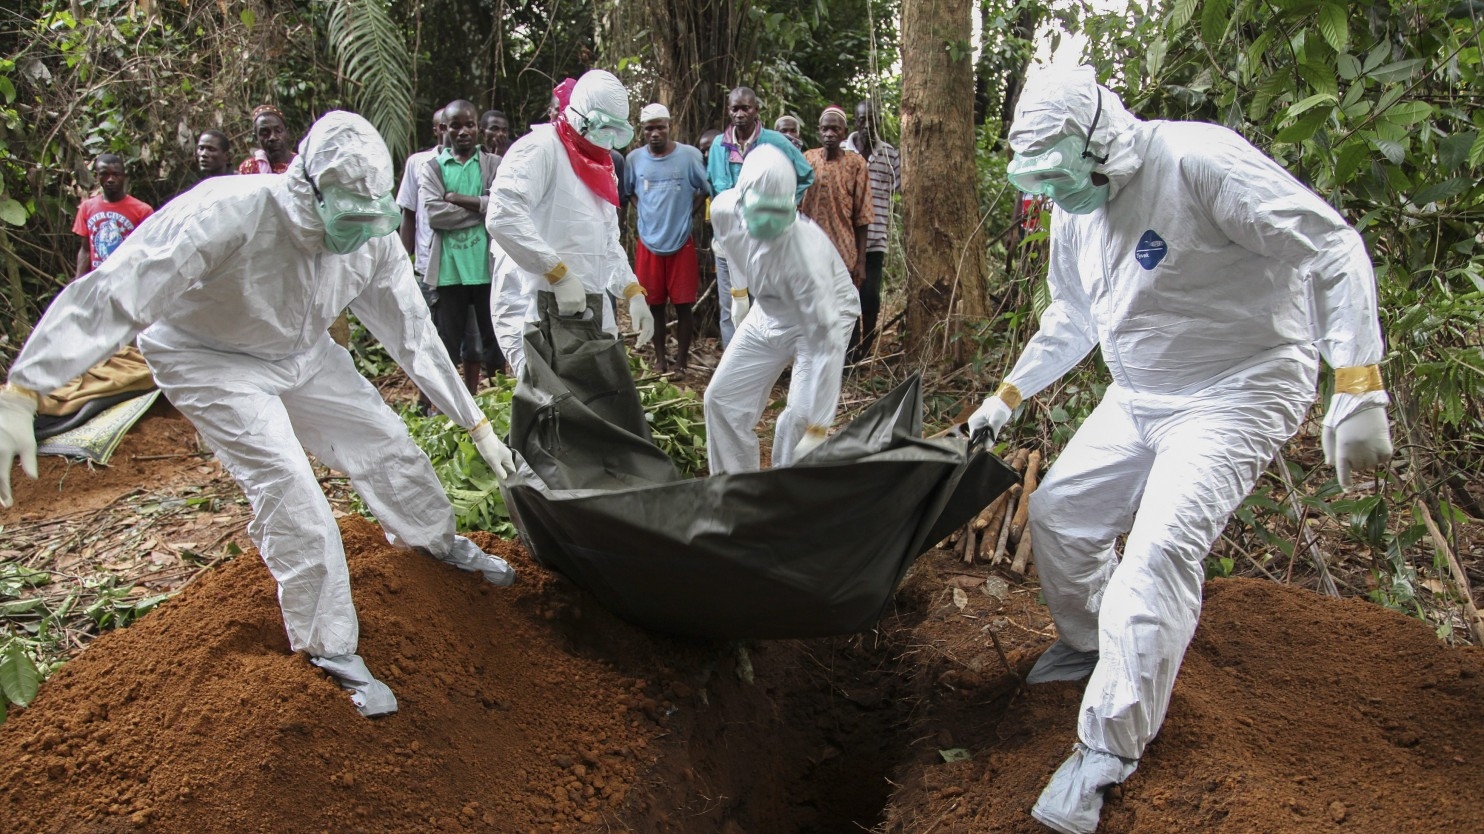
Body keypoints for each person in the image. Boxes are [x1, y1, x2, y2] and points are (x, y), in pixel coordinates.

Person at [962, 66, 1394, 833]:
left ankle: (1106, 749)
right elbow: (1071, 318)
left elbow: (1329, 246)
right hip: (1138, 391)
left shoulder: (1198, 162)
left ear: (1100, 142)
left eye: (1063, 174)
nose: (1058, 194)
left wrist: (1357, 382)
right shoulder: (1074, 211)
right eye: (1044, 181)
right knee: (1059, 513)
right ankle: (1093, 639)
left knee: (1157, 551)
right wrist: (1006, 397)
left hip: (1239, 385)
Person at [0, 112, 519, 719]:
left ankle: (437, 543)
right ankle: (329, 648)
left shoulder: (370, 238)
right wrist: (26, 388)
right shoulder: (230, 211)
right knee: (290, 485)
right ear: (310, 187)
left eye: (367, 220)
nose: (356, 234)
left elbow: (413, 334)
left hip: (303, 352)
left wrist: (475, 424)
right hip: (209, 359)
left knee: (386, 443)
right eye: (346, 218)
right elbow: (117, 289)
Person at [486, 70, 654, 374]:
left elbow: (606, 241)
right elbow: (502, 215)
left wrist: (631, 290)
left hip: (588, 304)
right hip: (537, 303)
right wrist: (557, 273)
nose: (609, 141)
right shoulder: (539, 148)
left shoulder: (602, 166)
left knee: (594, 396)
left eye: (616, 132)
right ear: (579, 117)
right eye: (603, 128)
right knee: (547, 398)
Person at [704, 144, 859, 474]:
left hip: (821, 318)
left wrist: (818, 424)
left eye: (778, 214)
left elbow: (826, 344)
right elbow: (732, 248)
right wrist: (739, 295)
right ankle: (736, 492)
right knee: (721, 399)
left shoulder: (806, 258)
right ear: (742, 199)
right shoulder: (723, 209)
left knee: (796, 422)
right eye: (760, 211)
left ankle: (786, 504)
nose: (768, 224)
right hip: (768, 310)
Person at [706, 87, 814, 350]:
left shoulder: (775, 142)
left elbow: (805, 174)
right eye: (735, 109)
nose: (741, 114)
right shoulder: (719, 147)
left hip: (766, 242)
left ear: (756, 110)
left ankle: (765, 366)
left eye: (746, 108)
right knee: (731, 306)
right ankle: (733, 368)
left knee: (766, 304)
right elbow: (714, 191)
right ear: (728, 111)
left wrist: (781, 205)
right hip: (729, 245)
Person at [419, 99, 504, 395]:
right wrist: (481, 207)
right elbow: (434, 214)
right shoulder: (433, 167)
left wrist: (458, 198)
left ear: (477, 128)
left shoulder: (494, 164)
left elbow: (501, 207)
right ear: (445, 129)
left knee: (495, 347)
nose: (463, 131)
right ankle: (444, 408)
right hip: (448, 272)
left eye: (469, 124)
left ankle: (501, 403)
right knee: (446, 348)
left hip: (487, 270)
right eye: (456, 125)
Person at [623, 103, 710, 374]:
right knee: (655, 305)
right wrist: (647, 213)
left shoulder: (689, 156)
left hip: (681, 240)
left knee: (683, 304)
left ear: (669, 126)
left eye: (661, 126)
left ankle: (681, 362)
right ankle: (660, 360)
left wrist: (687, 215)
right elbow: (628, 193)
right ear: (642, 131)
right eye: (650, 128)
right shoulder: (634, 160)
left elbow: (704, 189)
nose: (655, 132)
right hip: (648, 242)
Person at [841, 100, 902, 363]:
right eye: (862, 119)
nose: (867, 125)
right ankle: (849, 350)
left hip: (876, 239)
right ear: (855, 122)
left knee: (870, 296)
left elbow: (897, 189)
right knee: (846, 295)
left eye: (872, 119)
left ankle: (866, 348)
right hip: (844, 241)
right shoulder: (843, 151)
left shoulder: (890, 155)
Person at [800, 105, 873, 291]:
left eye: (835, 129)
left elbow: (863, 215)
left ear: (844, 133)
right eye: (825, 129)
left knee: (845, 310)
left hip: (843, 253)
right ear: (819, 131)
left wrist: (861, 261)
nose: (829, 134)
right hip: (809, 253)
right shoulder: (807, 159)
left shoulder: (856, 164)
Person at [73, 153, 154, 278]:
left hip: (129, 280)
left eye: (116, 174)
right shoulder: (87, 207)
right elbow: (86, 249)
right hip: (98, 281)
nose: (110, 179)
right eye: (105, 174)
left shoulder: (142, 211)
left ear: (123, 176)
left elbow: (148, 251)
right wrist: (77, 284)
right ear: (97, 176)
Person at [238, 104, 296, 175]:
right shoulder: (249, 169)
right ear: (256, 138)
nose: (273, 137)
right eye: (265, 133)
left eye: (278, 131)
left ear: (287, 133)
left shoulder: (301, 164)